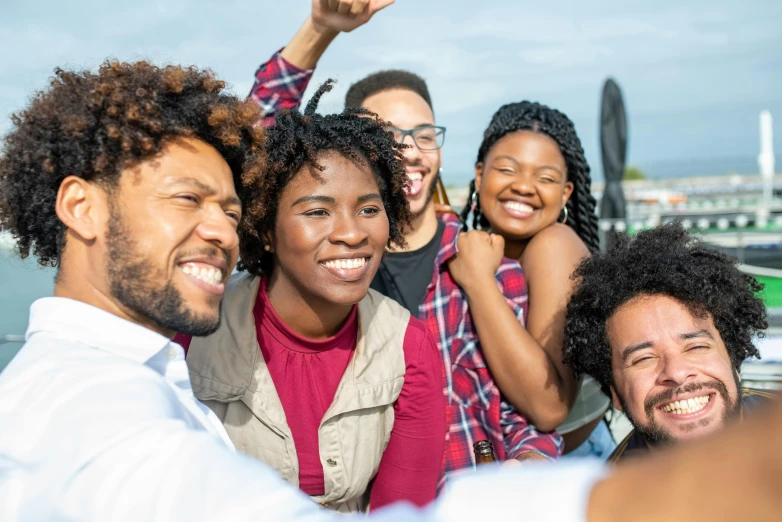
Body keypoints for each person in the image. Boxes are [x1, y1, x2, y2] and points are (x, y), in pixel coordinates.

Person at [248, 0, 563, 473]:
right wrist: (318, 29)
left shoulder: (495, 269)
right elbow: (250, 145)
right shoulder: (325, 267)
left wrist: (528, 464)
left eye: (423, 134)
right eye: (389, 135)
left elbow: (526, 417)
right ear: (359, 151)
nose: (410, 152)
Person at [176, 81, 445, 511]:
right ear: (265, 229)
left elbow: (400, 512)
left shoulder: (408, 347)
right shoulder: (191, 334)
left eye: (369, 209)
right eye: (318, 212)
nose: (352, 233)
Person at [451, 101, 612, 458]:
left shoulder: (552, 246)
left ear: (566, 193)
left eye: (546, 178)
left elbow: (548, 408)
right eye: (508, 169)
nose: (525, 187)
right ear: (480, 175)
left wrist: (478, 281)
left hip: (569, 467)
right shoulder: (482, 250)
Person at [563, 223, 775, 462]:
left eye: (696, 347)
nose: (677, 372)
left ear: (732, 359)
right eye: (643, 359)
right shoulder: (612, 497)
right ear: (614, 392)